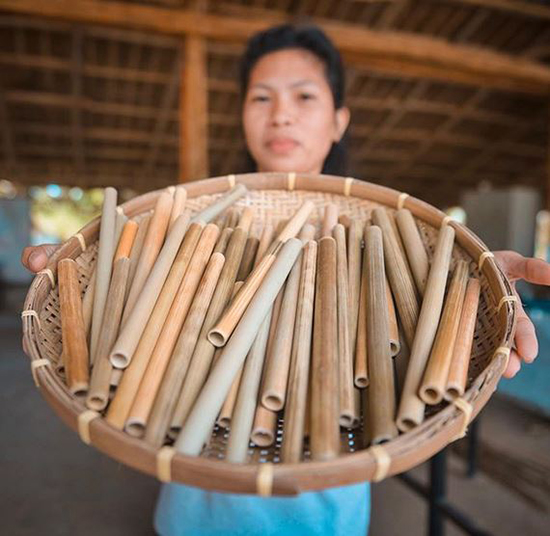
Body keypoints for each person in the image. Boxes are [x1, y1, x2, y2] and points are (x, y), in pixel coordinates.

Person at [21, 23, 550, 536]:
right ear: (243, 115)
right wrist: (81, 269)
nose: (281, 116)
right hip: (191, 517)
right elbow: (114, 279)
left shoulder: (378, 236)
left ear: (339, 119)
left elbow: (418, 327)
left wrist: (467, 275)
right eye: (261, 98)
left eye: (303, 97)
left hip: (328, 520)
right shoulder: (193, 222)